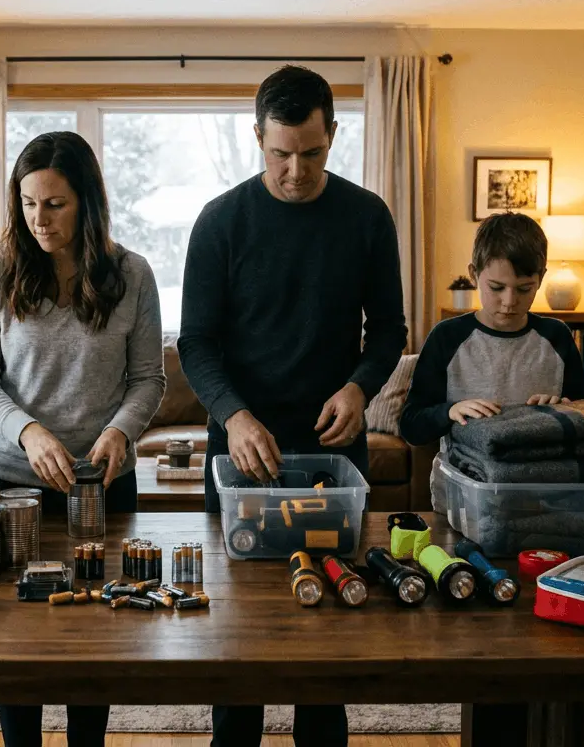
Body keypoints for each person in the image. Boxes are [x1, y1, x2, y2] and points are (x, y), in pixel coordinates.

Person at [178, 65, 406, 747]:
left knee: (331, 628)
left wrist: (361, 386)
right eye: (280, 154)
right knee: (238, 629)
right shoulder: (220, 221)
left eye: (311, 153)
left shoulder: (367, 217)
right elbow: (197, 342)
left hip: (333, 451)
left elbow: (389, 330)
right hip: (240, 449)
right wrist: (234, 414)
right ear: (256, 138)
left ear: (333, 136)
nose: (296, 171)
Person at [0, 130, 165, 747]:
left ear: (88, 202)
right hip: (12, 486)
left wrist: (120, 432)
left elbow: (148, 380)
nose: (39, 219)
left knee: (94, 639)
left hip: (102, 486)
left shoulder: (131, 274)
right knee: (16, 643)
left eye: (55, 204)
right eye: (28, 203)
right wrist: (28, 432)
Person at [399, 212, 584, 447]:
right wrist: (450, 411)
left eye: (524, 289)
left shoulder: (557, 336)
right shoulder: (447, 337)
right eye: (497, 287)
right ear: (474, 275)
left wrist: (564, 406)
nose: (509, 301)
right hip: (466, 480)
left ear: (541, 278)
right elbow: (411, 426)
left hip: (542, 478)